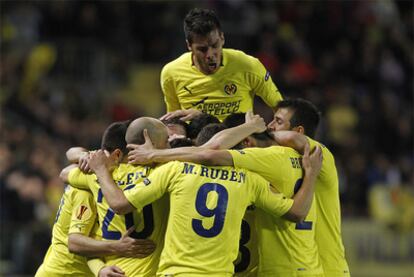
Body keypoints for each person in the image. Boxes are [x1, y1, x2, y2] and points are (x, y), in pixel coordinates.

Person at [87, 131, 322, 277]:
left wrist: (99, 168)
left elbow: (118, 203)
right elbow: (297, 212)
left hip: (176, 273)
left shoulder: (175, 169)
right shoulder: (249, 180)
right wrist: (310, 174)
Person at [60, 119, 167, 277]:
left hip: (113, 271)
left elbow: (64, 173)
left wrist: (90, 160)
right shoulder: (162, 172)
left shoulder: (96, 176)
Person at [36, 146, 152, 277]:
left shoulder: (100, 184)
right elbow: (75, 243)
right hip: (63, 272)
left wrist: (100, 269)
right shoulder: (85, 192)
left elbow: (72, 152)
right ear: (116, 156)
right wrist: (118, 246)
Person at [268, 99, 350, 276]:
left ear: (299, 131)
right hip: (305, 268)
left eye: (278, 121)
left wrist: (260, 133)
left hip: (329, 268)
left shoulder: (320, 155)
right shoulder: (281, 162)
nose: (270, 126)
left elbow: (294, 140)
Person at [161, 8, 283, 121]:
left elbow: (282, 110)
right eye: (202, 49)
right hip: (196, 143)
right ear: (189, 45)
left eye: (214, 45)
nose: (210, 54)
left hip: (241, 142)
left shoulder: (248, 65)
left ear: (222, 38)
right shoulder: (171, 73)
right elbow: (174, 121)